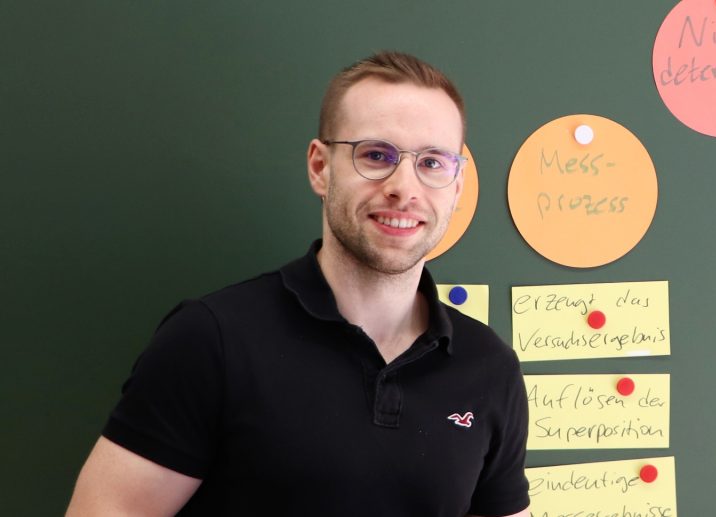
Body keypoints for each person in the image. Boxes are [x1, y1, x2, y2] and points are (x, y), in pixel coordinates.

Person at [66, 51, 530, 516]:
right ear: (320, 168)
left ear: (457, 186)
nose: (404, 187)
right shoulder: (212, 340)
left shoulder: (489, 367)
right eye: (375, 155)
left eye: (432, 162)